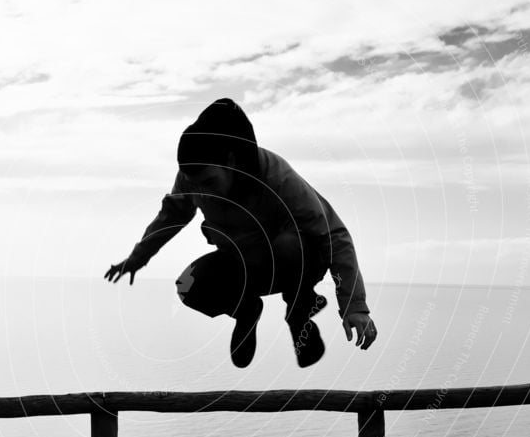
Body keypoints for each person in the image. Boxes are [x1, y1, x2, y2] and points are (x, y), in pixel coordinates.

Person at [104, 98, 377, 367]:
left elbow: (333, 236)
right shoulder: (191, 178)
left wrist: (354, 306)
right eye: (196, 184)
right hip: (246, 263)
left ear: (231, 161)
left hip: (296, 262)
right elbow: (171, 216)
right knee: (187, 286)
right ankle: (246, 310)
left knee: (288, 243)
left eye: (209, 181)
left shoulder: (277, 176)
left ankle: (299, 312)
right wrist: (137, 258)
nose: (204, 190)